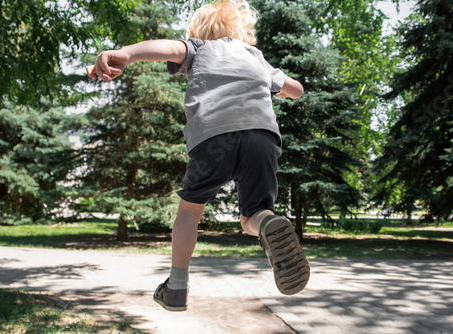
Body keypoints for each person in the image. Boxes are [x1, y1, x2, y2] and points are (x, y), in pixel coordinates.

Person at [86, 0, 310, 312]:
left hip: (214, 138)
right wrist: (281, 88)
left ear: (199, 30)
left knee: (190, 211)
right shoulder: (256, 57)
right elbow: (297, 89)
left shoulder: (198, 48)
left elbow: (162, 48)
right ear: (242, 30)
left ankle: (176, 287)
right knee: (253, 214)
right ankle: (267, 224)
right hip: (263, 136)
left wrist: (124, 54)